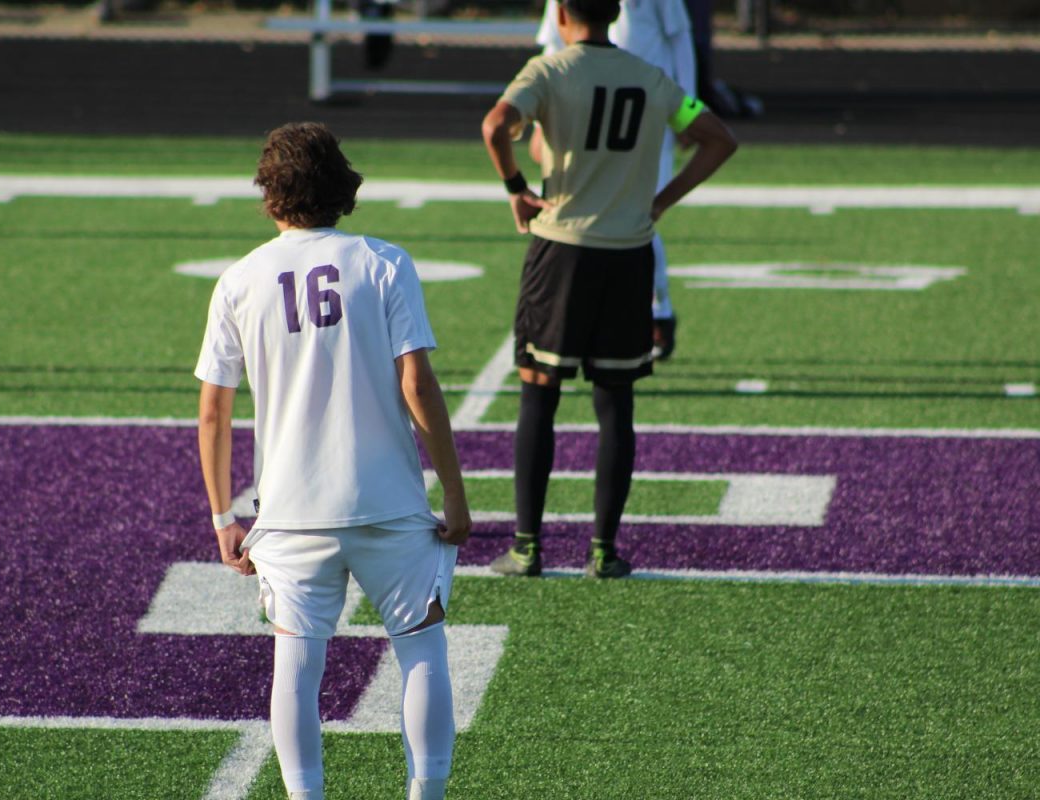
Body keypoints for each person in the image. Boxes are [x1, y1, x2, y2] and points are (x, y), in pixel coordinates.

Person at [195, 122, 471, 800]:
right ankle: (427, 793)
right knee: (422, 650)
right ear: (343, 188)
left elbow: (213, 412)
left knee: (297, 659)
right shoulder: (384, 262)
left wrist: (222, 515)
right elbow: (418, 385)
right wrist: (457, 496)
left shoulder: (239, 280)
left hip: (289, 511)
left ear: (269, 195)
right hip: (387, 502)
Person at [481, 0, 736, 578]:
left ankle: (527, 547)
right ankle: (605, 550)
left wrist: (517, 186)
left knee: (538, 397)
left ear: (562, 13)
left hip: (562, 253)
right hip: (628, 255)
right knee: (615, 402)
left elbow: (497, 125)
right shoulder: (654, 79)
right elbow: (718, 138)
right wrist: (660, 202)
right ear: (617, 11)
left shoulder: (547, 70)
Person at [535, 0, 696, 358]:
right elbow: (552, 46)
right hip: (587, 120)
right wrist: (541, 121)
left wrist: (688, 108)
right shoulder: (547, 69)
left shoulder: (653, 81)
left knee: (639, 217)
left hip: (648, 116)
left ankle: (658, 311)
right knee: (589, 220)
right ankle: (594, 317)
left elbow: (680, 38)